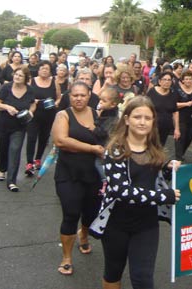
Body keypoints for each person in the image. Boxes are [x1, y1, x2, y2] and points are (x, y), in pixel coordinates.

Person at [98, 96, 181, 289]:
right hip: (116, 223)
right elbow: (122, 191)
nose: (142, 122)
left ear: (153, 121)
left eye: (147, 117)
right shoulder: (115, 150)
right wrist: (163, 197)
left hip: (146, 224)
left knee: (143, 279)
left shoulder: (154, 149)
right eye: (137, 117)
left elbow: (154, 177)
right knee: (113, 272)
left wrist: (169, 168)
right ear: (126, 119)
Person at [52, 81, 105, 276]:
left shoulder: (96, 113)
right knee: (71, 213)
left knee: (90, 213)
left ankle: (84, 235)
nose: (79, 98)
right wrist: (91, 148)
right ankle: (66, 257)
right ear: (69, 96)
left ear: (89, 95)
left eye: (83, 95)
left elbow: (103, 138)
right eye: (75, 95)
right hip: (68, 173)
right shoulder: (63, 115)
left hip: (93, 174)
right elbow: (60, 140)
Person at [0, 67, 37, 191]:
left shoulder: (30, 90)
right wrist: (7, 107)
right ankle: (2, 169)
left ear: (26, 79)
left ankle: (12, 181)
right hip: (3, 124)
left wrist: (31, 112)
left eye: (20, 76)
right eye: (16, 75)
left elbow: (33, 103)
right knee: (3, 148)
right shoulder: (6, 88)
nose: (17, 77)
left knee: (15, 151)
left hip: (19, 126)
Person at [25, 61, 62, 176]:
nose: (44, 70)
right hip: (34, 113)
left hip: (48, 114)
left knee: (43, 138)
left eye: (47, 68)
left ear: (50, 71)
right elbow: (25, 96)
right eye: (42, 68)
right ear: (38, 69)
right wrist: (32, 101)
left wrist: (56, 103)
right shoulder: (32, 81)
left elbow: (59, 97)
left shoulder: (54, 82)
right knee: (31, 137)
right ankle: (29, 163)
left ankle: (38, 159)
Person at [175, 71, 192, 161]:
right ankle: (178, 157)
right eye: (186, 79)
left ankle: (182, 153)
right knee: (181, 136)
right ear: (182, 80)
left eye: (190, 79)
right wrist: (186, 104)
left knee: (190, 136)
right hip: (181, 116)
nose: (188, 81)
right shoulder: (177, 89)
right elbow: (174, 104)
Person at [147, 71, 180, 146]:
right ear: (159, 81)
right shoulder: (152, 92)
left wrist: (177, 128)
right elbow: (145, 107)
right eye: (164, 79)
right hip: (152, 126)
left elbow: (175, 112)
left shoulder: (173, 94)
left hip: (165, 126)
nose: (167, 82)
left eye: (169, 80)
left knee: (160, 146)